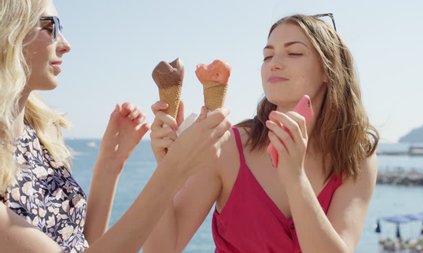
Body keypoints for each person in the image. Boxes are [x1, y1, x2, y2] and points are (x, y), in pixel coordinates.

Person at [0, 0, 231, 252]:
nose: (66, 45)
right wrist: (175, 168)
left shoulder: (39, 134)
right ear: (9, 31)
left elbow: (80, 243)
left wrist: (111, 163)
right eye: (50, 26)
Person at [143, 13, 379, 253]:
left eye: (294, 52)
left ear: (329, 71)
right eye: (268, 55)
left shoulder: (357, 159)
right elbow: (163, 249)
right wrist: (166, 169)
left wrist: (295, 180)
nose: (274, 63)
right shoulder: (227, 147)